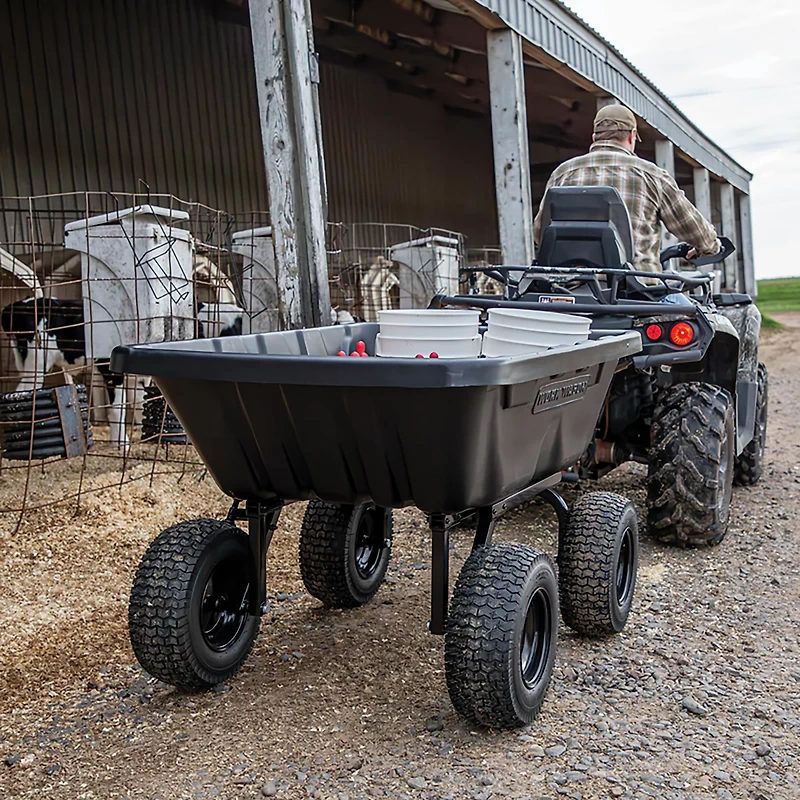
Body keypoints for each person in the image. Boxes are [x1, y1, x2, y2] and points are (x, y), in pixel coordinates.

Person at [533, 104, 720, 293]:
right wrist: (711, 247)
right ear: (632, 136)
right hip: (637, 293)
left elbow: (540, 235)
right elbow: (699, 233)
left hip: (569, 292)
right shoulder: (652, 175)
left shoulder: (563, 173)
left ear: (594, 138)